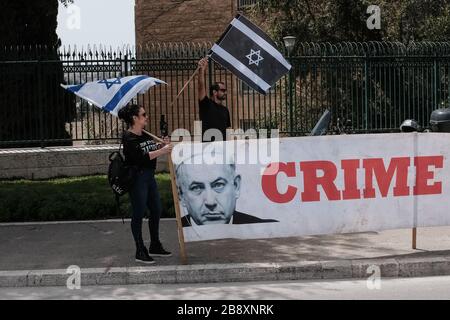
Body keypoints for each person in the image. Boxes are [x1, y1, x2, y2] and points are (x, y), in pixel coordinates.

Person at [118, 104, 173, 264]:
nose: (146, 116)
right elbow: (140, 157)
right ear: (135, 118)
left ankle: (154, 244)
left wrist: (162, 144)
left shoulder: (145, 134)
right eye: (144, 114)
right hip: (137, 179)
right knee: (139, 212)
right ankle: (139, 249)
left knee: (156, 209)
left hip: (149, 177)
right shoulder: (128, 137)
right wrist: (162, 151)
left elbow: (150, 149)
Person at [175, 152, 278, 227]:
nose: (210, 202)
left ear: (236, 186)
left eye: (218, 185)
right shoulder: (176, 234)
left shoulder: (266, 228)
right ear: (181, 196)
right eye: (196, 188)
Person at [197, 57, 231, 141]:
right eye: (222, 90)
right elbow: (201, 86)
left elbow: (227, 130)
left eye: (225, 90)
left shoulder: (225, 110)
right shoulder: (206, 104)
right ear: (215, 92)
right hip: (208, 148)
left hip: (222, 149)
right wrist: (201, 70)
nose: (225, 93)